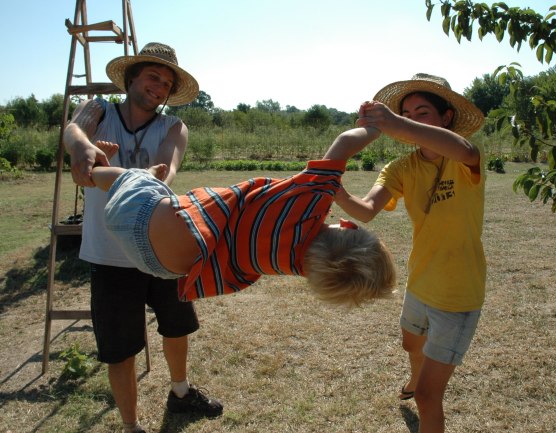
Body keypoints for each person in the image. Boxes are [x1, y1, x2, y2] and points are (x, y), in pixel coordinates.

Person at [63, 42, 221, 433]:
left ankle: (181, 392)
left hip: (161, 246)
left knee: (177, 326)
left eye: (167, 83)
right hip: (109, 255)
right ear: (132, 78)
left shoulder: (173, 127)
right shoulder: (98, 112)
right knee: (120, 349)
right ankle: (131, 426)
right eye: (153, 76)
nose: (159, 87)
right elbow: (73, 130)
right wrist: (83, 149)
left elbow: (165, 171)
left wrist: (118, 173)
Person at [87, 126, 396, 307]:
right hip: (158, 267)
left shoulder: (309, 206)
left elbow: (345, 143)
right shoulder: (289, 264)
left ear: (348, 225)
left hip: (141, 216)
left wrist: (379, 124)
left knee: (130, 179)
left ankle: (96, 171)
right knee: (145, 189)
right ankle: (142, 179)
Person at [335, 73, 486, 433]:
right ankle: (415, 378)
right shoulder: (402, 168)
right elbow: (366, 210)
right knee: (410, 345)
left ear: (446, 117)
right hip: (420, 282)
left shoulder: (465, 156)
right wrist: (335, 189)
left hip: (457, 294)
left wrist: (396, 123)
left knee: (428, 398)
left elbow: (463, 150)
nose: (411, 120)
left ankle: (420, 387)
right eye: (406, 114)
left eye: (422, 112)